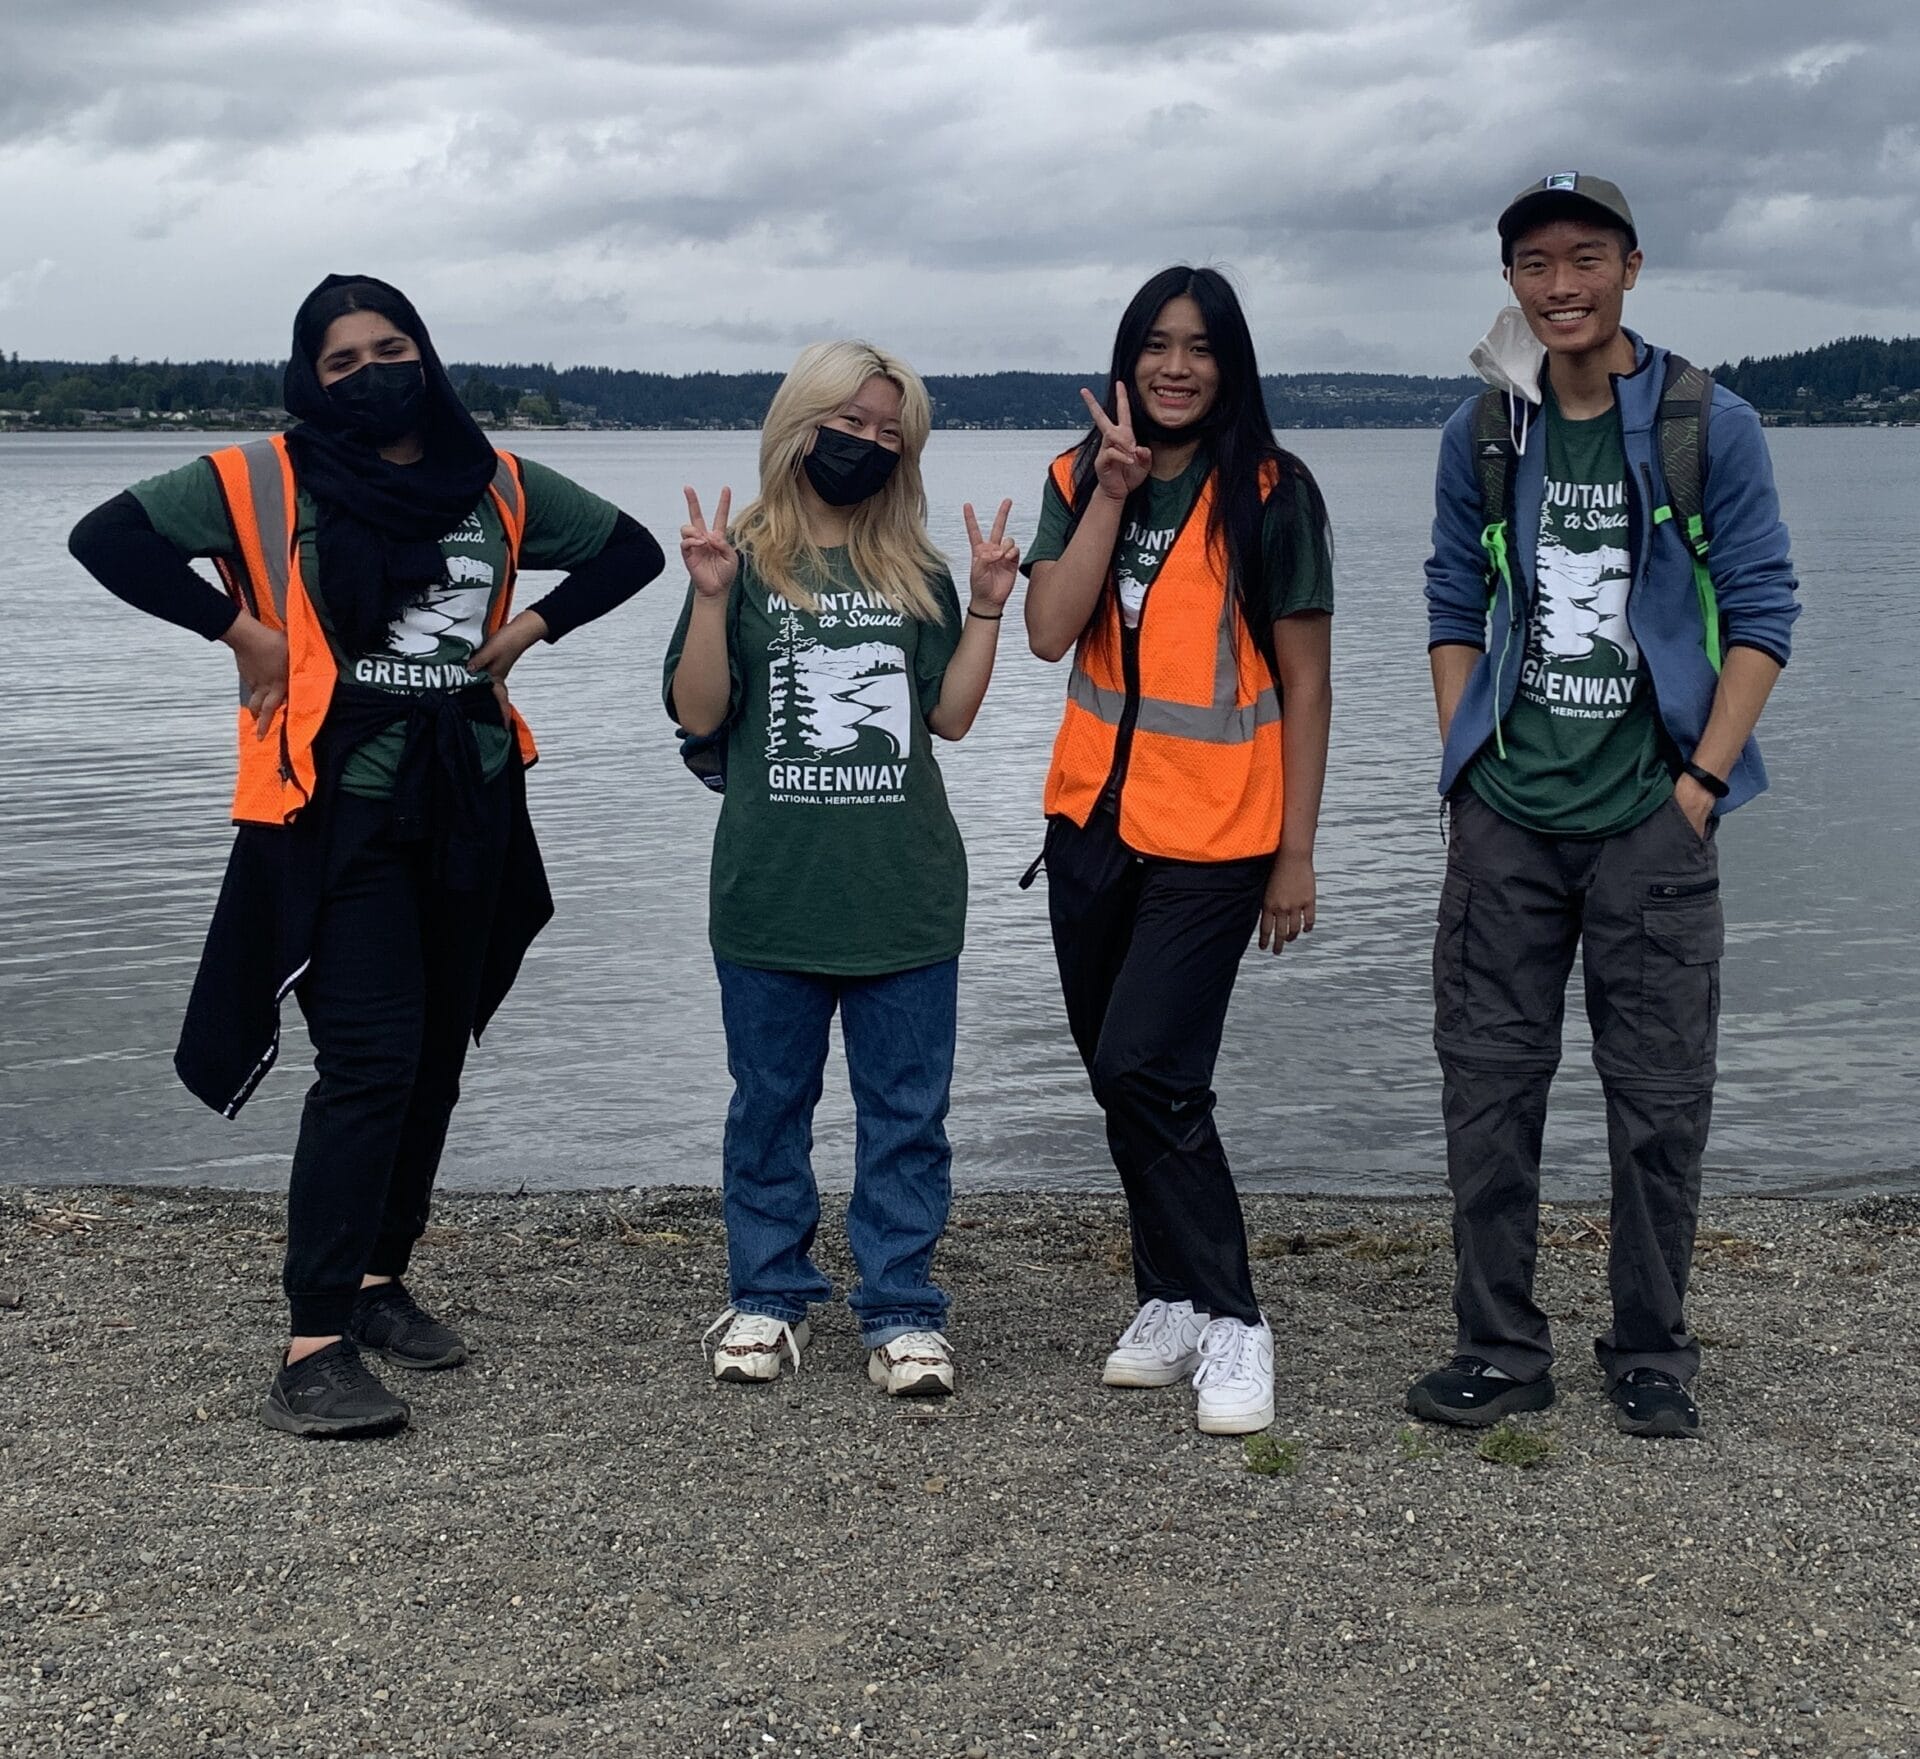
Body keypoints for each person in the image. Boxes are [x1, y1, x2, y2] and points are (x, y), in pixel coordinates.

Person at [68, 274, 664, 1438]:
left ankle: (380, 1280)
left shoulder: (495, 480)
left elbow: (630, 551)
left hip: (469, 799)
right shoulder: (261, 478)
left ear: (424, 355)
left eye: (390, 349)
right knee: (372, 1058)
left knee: (436, 1053)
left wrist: (528, 629)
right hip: (332, 808)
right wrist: (241, 630)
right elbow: (109, 538)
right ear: (311, 378)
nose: (372, 373)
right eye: (343, 361)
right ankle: (312, 1345)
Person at [1411, 174, 1800, 1440]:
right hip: (1508, 819)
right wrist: (1466, 762)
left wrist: (1699, 788)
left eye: (1587, 258)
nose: (1561, 284)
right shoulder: (1485, 430)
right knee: (1487, 1092)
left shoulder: (1707, 423)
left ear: (1633, 267)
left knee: (1659, 1101)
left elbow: (1764, 614)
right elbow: (1451, 601)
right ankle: (1498, 1346)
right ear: (1510, 280)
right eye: (1536, 263)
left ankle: (1650, 1348)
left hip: (1652, 819)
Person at [663, 339, 1017, 1397]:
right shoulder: (739, 557)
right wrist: (712, 597)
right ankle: (767, 1295)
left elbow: (949, 717)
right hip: (771, 891)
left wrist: (988, 604)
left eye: (886, 431)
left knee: (907, 1116)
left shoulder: (915, 570)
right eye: (848, 422)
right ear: (799, 425)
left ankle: (903, 1309)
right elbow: (698, 711)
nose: (865, 442)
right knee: (768, 1107)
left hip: (903, 892)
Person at [1022, 266, 1334, 1436]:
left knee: (1148, 1066)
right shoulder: (1075, 476)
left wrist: (1296, 852)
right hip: (1089, 828)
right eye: (1156, 344)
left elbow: (1307, 684)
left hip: (1217, 835)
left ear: (1229, 363)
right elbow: (1049, 630)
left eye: (1200, 347)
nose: (1175, 367)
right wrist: (1111, 494)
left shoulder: (1273, 493)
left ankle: (1236, 1318)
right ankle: (1168, 1297)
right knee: (1117, 1073)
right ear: (1126, 358)